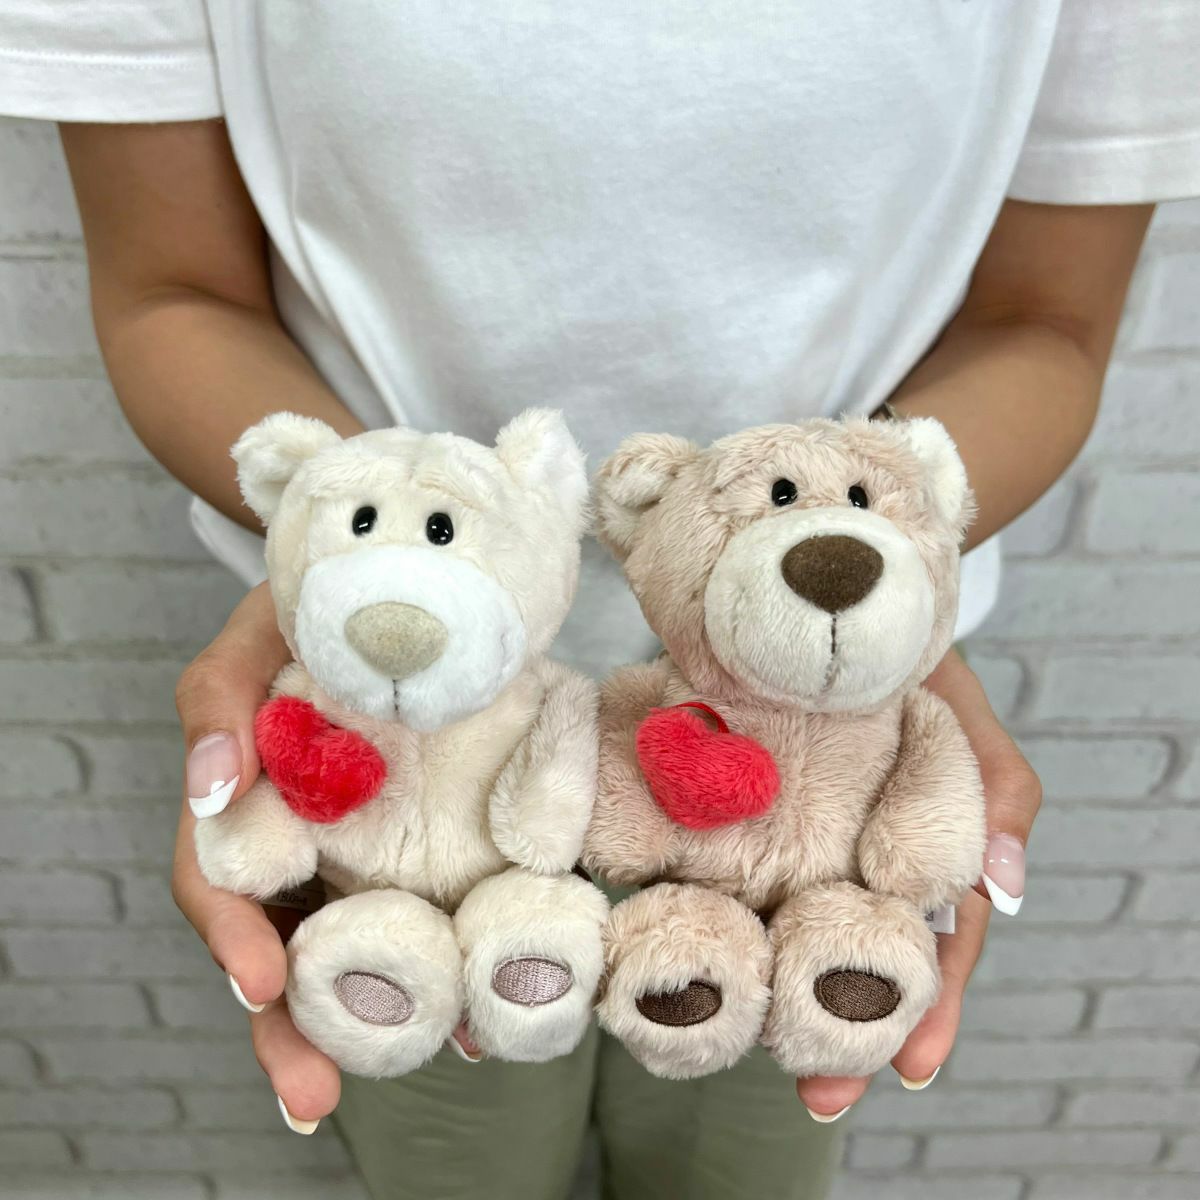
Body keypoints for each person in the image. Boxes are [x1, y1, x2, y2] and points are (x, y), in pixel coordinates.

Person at [3, 2, 1197, 1197]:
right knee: (459, 1162)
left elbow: (1043, 318)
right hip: (385, 725)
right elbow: (177, 287)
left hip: (827, 766)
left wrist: (893, 589)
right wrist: (348, 544)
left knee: (741, 1153)